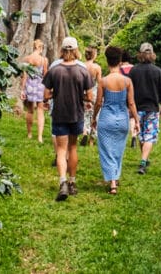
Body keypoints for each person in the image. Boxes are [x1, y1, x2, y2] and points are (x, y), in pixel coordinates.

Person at [42, 36, 95, 201]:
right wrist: (81, 97)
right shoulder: (83, 71)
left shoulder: (54, 70)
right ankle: (72, 182)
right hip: (76, 114)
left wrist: (56, 94)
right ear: (76, 50)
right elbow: (90, 96)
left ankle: (62, 182)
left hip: (59, 114)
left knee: (61, 150)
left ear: (63, 50)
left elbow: (46, 95)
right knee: (73, 148)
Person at [91, 46, 139, 195]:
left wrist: (93, 118)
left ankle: (112, 181)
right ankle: (115, 178)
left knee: (106, 151)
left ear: (107, 60)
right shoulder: (127, 81)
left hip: (106, 119)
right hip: (123, 119)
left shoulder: (103, 81)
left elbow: (98, 102)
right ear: (120, 61)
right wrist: (136, 120)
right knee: (118, 150)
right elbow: (131, 103)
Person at [129, 42, 161, 175]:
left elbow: (129, 91)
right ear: (152, 54)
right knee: (149, 136)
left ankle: (144, 159)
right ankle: (143, 161)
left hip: (137, 107)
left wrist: (129, 106)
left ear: (140, 54)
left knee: (141, 135)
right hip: (152, 108)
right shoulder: (158, 71)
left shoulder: (133, 71)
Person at [19, 38, 48, 143]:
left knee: (30, 111)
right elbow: (45, 75)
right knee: (40, 111)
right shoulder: (44, 60)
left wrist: (22, 90)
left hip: (29, 86)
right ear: (40, 48)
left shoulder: (27, 59)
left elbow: (24, 76)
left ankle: (30, 134)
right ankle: (40, 137)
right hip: (40, 86)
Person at [81, 47, 102, 146]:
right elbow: (99, 82)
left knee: (84, 114)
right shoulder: (97, 67)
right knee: (95, 116)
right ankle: (91, 140)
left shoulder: (81, 66)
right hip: (93, 92)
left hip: (83, 93)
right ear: (94, 55)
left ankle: (85, 132)